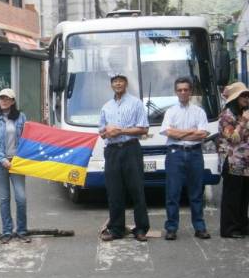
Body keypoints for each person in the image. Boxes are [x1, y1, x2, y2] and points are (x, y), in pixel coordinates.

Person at [98, 73, 150, 242]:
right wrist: (107, 132)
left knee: (137, 190)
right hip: (112, 151)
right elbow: (102, 133)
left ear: (126, 83)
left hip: (130, 149)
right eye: (115, 81)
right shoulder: (106, 106)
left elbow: (143, 129)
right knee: (114, 191)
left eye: (121, 81)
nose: (118, 84)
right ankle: (116, 229)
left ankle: (141, 229)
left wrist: (120, 130)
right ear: (111, 85)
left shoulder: (136, 103)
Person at [160, 77, 211, 240]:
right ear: (176, 92)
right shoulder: (170, 112)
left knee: (196, 192)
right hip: (175, 154)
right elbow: (168, 132)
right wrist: (190, 132)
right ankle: (171, 228)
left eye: (186, 89)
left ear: (191, 91)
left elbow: (202, 134)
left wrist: (179, 133)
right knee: (173, 193)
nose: (183, 92)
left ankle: (200, 227)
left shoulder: (199, 111)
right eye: (180, 90)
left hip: (195, 153)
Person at [0, 88, 30, 244]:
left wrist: (20, 159)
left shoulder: (21, 117)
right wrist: (3, 159)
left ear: (13, 101)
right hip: (0, 164)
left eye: (7, 99)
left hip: (17, 163)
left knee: (21, 198)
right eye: (1, 98)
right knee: (4, 198)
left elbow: (27, 139)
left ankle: (22, 231)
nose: (3, 101)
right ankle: (6, 231)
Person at [217, 81, 249, 238]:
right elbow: (232, 138)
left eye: (247, 95)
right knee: (232, 196)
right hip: (233, 161)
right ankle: (230, 228)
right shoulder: (227, 115)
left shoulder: (243, 113)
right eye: (243, 95)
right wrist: (243, 122)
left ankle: (242, 226)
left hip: (245, 162)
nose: (246, 98)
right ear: (235, 98)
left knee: (243, 196)